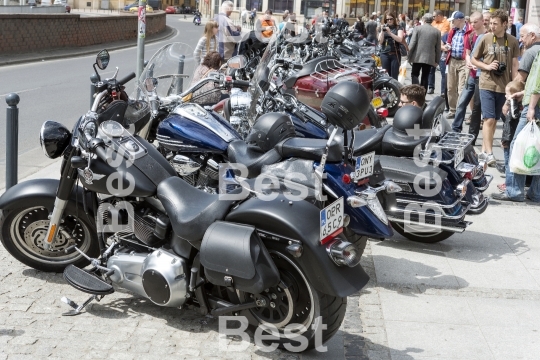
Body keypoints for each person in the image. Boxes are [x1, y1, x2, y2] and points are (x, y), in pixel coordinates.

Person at [494, 23, 540, 199]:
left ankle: (515, 191)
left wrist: (531, 107)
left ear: (532, 36)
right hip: (531, 100)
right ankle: (536, 193)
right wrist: (523, 92)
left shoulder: (533, 53)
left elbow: (536, 84)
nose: (520, 39)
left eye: (523, 36)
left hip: (534, 106)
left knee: (517, 145)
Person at [471, 9, 520, 166]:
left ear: (504, 24)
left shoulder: (512, 41)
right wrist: (487, 66)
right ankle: (490, 153)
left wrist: (513, 87)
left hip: (503, 86)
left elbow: (514, 65)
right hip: (486, 83)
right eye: (490, 23)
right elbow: (474, 59)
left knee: (493, 121)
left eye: (495, 24)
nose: (491, 26)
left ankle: (485, 151)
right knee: (489, 118)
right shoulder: (485, 38)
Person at [450, 12, 485, 140]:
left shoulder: (486, 37)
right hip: (472, 74)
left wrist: (478, 64)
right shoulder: (470, 36)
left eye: (476, 22)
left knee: (477, 107)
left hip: (482, 76)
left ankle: (472, 134)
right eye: (471, 22)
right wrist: (470, 62)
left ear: (482, 21)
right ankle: (456, 129)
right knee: (462, 102)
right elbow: (467, 53)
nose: (473, 24)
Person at [444, 11, 472, 119]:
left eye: (453, 20)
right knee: (450, 87)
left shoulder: (469, 31)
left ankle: (460, 111)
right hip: (452, 60)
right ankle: (452, 110)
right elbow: (449, 42)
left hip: (464, 61)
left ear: (459, 20)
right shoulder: (453, 31)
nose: (452, 23)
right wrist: (448, 46)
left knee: (461, 88)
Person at [407, 13, 441, 92]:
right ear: (432, 21)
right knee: (425, 76)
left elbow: (412, 43)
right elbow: (438, 48)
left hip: (417, 57)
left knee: (414, 74)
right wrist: (437, 61)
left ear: (424, 20)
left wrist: (408, 55)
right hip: (429, 58)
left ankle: (415, 92)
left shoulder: (418, 28)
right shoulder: (437, 32)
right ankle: (422, 96)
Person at [427, 10, 451, 94]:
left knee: (443, 71)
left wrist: (434, 35)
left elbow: (442, 34)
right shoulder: (434, 22)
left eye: (434, 16)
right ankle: (431, 87)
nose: (433, 18)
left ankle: (443, 91)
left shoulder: (446, 23)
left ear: (439, 16)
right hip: (433, 48)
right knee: (431, 69)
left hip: (441, 49)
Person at [378, 10, 405, 80]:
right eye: (387, 19)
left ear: (394, 19)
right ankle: (387, 89)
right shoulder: (383, 27)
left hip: (395, 54)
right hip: (384, 54)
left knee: (394, 75)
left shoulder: (398, 27)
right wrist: (382, 31)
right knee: (385, 75)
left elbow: (400, 39)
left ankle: (394, 89)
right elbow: (380, 42)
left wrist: (390, 33)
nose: (389, 21)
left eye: (391, 19)